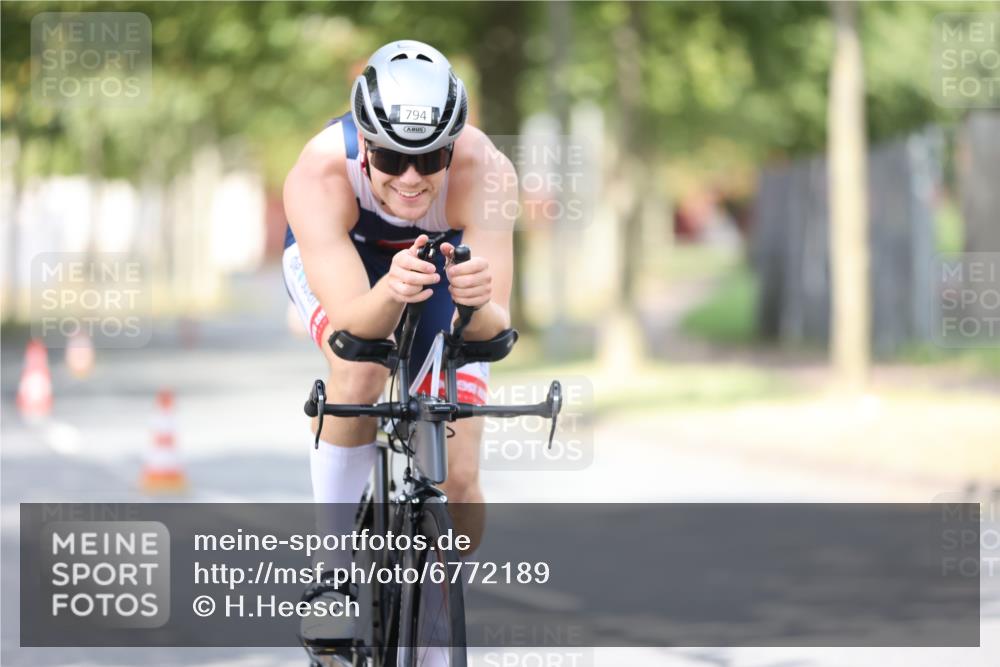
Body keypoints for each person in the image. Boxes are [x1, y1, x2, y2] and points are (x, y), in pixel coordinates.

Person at [281, 40, 517, 657]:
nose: (411, 179)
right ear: (364, 140)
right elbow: (354, 329)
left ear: (454, 145)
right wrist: (389, 291)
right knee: (358, 370)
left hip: (440, 268)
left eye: (431, 157)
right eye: (390, 156)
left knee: (460, 479)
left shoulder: (487, 172)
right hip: (349, 268)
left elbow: (493, 337)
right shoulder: (320, 172)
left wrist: (478, 301)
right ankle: (333, 576)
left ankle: (438, 608)